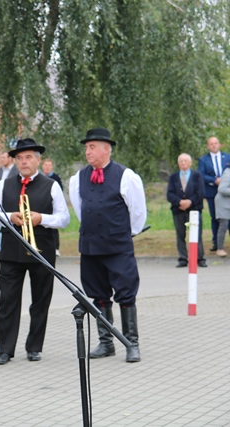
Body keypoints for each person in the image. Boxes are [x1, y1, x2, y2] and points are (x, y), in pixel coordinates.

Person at [0, 138, 69, 365]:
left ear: (38, 160)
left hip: (42, 251)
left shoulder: (51, 185)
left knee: (40, 301)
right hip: (11, 252)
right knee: (7, 301)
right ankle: (5, 349)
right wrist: (9, 217)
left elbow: (64, 218)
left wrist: (41, 218)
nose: (24, 162)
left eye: (28, 157)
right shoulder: (4, 184)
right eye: (20, 158)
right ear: (15, 161)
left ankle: (34, 347)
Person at [68, 128, 147, 363]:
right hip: (91, 247)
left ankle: (131, 343)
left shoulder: (126, 176)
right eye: (86, 147)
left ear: (106, 149)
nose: (87, 152)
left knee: (126, 293)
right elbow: (81, 210)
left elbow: (138, 214)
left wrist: (122, 234)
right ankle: (106, 342)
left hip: (118, 246)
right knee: (98, 295)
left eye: (92, 147)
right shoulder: (78, 178)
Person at [167, 154, 206, 266]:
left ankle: (199, 258)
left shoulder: (197, 176)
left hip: (194, 209)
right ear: (178, 163)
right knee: (180, 234)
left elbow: (200, 192)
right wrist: (179, 202)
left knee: (197, 234)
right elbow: (170, 194)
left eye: (185, 161)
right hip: (178, 210)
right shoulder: (173, 177)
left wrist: (190, 202)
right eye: (181, 161)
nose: (183, 163)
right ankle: (183, 258)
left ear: (190, 163)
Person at [198, 136, 229, 251]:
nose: (214, 145)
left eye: (216, 143)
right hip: (212, 191)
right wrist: (214, 180)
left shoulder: (227, 157)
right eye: (211, 144)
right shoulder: (203, 160)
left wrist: (224, 181)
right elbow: (201, 174)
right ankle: (216, 242)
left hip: (227, 192)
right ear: (208, 146)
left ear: (219, 144)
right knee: (216, 217)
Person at [41, 158, 63, 257]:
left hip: (52, 205)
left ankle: (56, 247)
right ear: (42, 166)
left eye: (49, 165)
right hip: (41, 205)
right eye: (46, 165)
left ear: (52, 167)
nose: (47, 167)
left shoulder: (56, 178)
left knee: (53, 227)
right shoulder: (40, 177)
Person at [214, 167, 230, 257]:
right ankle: (220, 249)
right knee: (223, 226)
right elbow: (222, 189)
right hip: (223, 204)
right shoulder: (228, 173)